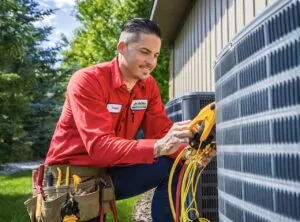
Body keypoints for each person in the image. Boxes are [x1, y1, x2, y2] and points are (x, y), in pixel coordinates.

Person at [45, 18, 193, 222]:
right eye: (145, 52)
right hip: (72, 178)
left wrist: (190, 153)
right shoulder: (88, 80)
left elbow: (161, 133)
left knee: (178, 164)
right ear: (122, 48)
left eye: (156, 55)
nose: (151, 62)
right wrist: (159, 147)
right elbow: (99, 148)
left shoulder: (148, 86)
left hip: (110, 172)